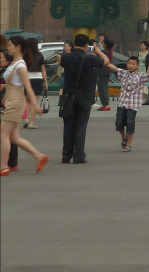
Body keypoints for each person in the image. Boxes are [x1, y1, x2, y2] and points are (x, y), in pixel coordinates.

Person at [98, 53, 149, 151]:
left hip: (132, 105)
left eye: (133, 64)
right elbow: (112, 66)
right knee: (119, 124)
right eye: (129, 63)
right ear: (127, 64)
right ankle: (123, 138)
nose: (131, 65)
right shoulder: (124, 73)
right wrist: (101, 57)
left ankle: (129, 145)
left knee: (130, 124)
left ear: (137, 66)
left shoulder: (140, 75)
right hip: (122, 103)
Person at [0, 36, 50, 176]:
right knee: (14, 137)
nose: (8, 47)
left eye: (10, 45)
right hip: (12, 99)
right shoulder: (15, 63)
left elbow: (28, 87)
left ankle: (4, 166)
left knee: (3, 134)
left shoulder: (20, 65)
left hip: (15, 101)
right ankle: (39, 156)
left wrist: (35, 104)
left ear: (18, 48)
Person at [58, 32, 107, 163]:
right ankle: (78, 156)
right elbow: (106, 62)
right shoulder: (90, 58)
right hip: (85, 97)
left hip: (68, 96)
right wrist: (97, 50)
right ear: (87, 45)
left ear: (73, 44)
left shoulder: (65, 57)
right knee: (81, 126)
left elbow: (60, 62)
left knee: (68, 126)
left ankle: (66, 155)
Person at [20, 39, 47, 131]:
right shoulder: (40, 55)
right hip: (38, 79)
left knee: (27, 101)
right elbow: (43, 70)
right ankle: (32, 122)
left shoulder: (24, 56)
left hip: (27, 78)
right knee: (34, 102)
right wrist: (46, 82)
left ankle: (26, 119)